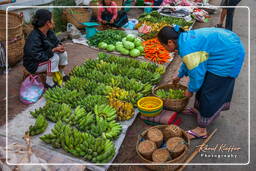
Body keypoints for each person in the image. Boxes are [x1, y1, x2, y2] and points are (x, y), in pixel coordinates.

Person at [157, 26, 245, 139]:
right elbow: (189, 61)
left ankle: (201, 130)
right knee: (203, 85)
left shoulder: (188, 47)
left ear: (170, 42)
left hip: (229, 58)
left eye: (164, 46)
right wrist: (179, 75)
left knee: (209, 92)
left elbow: (196, 75)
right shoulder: (184, 39)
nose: (164, 48)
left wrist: (190, 90)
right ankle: (197, 110)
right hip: (226, 47)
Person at [23, 9, 69, 88]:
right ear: (48, 23)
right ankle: (49, 82)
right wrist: (53, 50)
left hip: (45, 57)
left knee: (63, 54)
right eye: (52, 19)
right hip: (34, 64)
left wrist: (59, 46)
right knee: (54, 58)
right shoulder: (34, 37)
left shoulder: (49, 32)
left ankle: (61, 73)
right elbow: (37, 56)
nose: (53, 21)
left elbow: (56, 42)